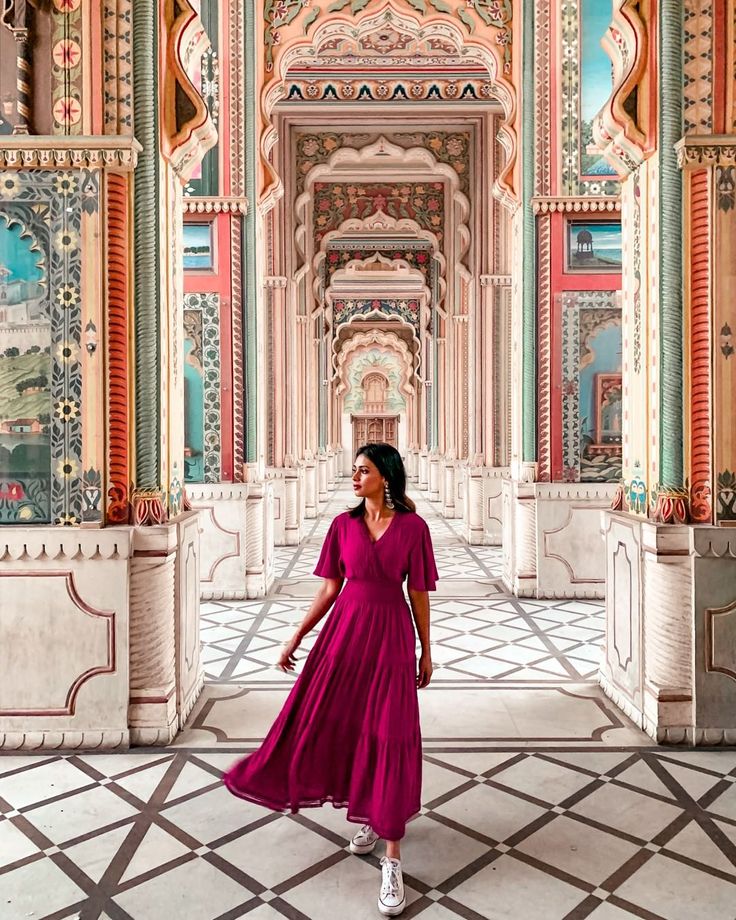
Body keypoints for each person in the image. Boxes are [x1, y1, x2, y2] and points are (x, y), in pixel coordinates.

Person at [223, 442, 438, 917]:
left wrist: (427, 649)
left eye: (363, 471)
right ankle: (369, 809)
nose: (355, 477)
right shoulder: (343, 527)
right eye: (354, 471)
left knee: (391, 733)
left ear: (386, 475)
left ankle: (392, 857)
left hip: (390, 638)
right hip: (344, 637)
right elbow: (329, 589)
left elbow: (418, 592)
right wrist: (295, 637)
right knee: (337, 723)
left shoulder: (414, 528)